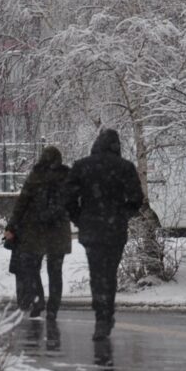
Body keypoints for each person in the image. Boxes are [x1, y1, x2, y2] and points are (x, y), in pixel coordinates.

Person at [65, 128, 145, 340]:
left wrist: (79, 219)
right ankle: (106, 314)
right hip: (115, 230)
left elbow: (68, 199)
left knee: (96, 274)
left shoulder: (82, 167)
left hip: (91, 230)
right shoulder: (125, 168)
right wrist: (122, 215)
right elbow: (137, 199)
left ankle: (101, 316)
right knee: (109, 274)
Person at [4, 145, 72, 321]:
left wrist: (11, 227)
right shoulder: (67, 177)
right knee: (55, 272)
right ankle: (52, 309)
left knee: (32, 268)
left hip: (37, 231)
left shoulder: (35, 177)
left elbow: (22, 203)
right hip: (59, 232)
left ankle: (38, 299)